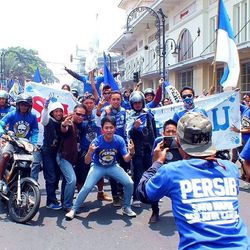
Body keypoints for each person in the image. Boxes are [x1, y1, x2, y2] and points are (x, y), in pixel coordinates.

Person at [137, 112, 250, 249]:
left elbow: (143, 193)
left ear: (178, 141)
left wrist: (157, 162)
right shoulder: (230, 169)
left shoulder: (171, 172)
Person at [65, 116, 136, 220]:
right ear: (102, 129)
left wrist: (132, 152)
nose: (109, 130)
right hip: (97, 167)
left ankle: (126, 207)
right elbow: (87, 161)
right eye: (106, 128)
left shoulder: (119, 140)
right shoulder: (97, 141)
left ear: (115, 128)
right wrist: (89, 152)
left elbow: (126, 159)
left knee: (129, 183)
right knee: (87, 187)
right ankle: (74, 209)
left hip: (112, 166)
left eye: (111, 127)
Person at [0, 93, 39, 190]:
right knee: (5, 156)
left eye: (26, 105)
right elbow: (1, 123)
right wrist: (3, 133)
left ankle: (28, 186)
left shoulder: (33, 116)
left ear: (29, 106)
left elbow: (35, 131)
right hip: (13, 141)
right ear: (18, 105)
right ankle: (0, 180)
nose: (23, 107)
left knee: (32, 162)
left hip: (26, 144)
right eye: (22, 104)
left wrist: (34, 144)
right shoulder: (12, 113)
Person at [79, 92, 112, 201]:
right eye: (86, 103)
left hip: (98, 148)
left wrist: (100, 110)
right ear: (83, 103)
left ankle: (100, 193)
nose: (89, 105)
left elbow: (104, 122)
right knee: (82, 173)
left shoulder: (99, 113)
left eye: (91, 103)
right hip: (84, 149)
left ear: (94, 103)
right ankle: (81, 196)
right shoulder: (79, 114)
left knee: (100, 173)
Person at [149, 119, 182, 223]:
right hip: (163, 172)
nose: (171, 134)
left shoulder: (183, 141)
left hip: (178, 173)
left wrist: (180, 145)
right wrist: (157, 152)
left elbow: (187, 160)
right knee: (153, 187)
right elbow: (153, 163)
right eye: (168, 131)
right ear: (163, 133)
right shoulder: (158, 141)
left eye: (174, 131)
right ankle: (155, 212)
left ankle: (183, 213)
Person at [127, 91, 157, 207]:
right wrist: (135, 127)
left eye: (139, 103)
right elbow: (128, 133)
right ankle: (136, 197)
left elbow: (153, 131)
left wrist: (155, 146)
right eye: (135, 103)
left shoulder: (149, 114)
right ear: (132, 104)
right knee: (138, 174)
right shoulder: (130, 116)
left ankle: (152, 194)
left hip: (149, 148)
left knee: (151, 172)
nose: (138, 105)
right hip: (138, 150)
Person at [101, 91, 130, 207]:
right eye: (114, 99)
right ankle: (115, 196)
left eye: (118, 99)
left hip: (122, 144)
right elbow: (101, 125)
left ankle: (122, 191)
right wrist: (107, 115)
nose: (116, 101)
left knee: (123, 170)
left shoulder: (124, 111)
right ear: (110, 100)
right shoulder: (106, 111)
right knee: (113, 171)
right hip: (111, 145)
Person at [57, 104, 87, 211]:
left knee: (67, 180)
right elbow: (64, 128)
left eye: (82, 115)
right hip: (64, 157)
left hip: (74, 158)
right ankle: (67, 205)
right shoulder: (69, 122)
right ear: (73, 113)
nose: (80, 117)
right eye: (78, 114)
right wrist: (64, 124)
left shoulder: (82, 125)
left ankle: (64, 200)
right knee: (72, 180)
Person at [41, 100, 64, 210]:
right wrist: (45, 108)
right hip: (48, 153)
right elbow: (43, 119)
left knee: (56, 177)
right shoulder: (48, 121)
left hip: (58, 153)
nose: (58, 113)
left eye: (60, 111)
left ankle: (53, 197)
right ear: (52, 112)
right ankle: (50, 202)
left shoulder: (63, 123)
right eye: (56, 111)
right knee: (50, 177)